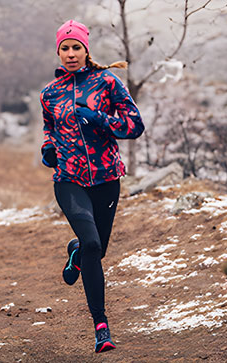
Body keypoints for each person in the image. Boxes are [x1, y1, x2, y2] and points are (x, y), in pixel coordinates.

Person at [39, 19, 145, 353]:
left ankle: (77, 252)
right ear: (58, 51)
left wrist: (100, 119)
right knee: (93, 244)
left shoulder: (107, 83)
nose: (71, 53)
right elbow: (49, 129)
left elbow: (134, 125)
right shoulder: (49, 93)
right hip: (68, 181)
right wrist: (48, 149)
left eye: (76, 47)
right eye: (65, 48)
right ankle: (101, 328)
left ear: (86, 49)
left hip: (106, 179)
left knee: (95, 249)